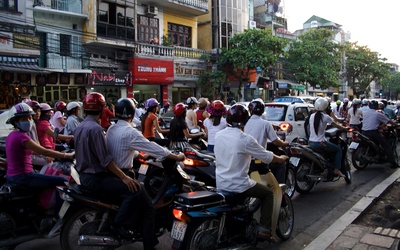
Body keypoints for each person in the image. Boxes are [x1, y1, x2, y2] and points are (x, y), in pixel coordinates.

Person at [74, 92, 156, 249]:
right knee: (135, 190)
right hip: (96, 178)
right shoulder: (96, 130)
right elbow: (106, 161)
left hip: (83, 176)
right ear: (103, 109)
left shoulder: (81, 127)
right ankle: (119, 225)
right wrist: (125, 177)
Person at [214, 104, 288, 242]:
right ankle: (265, 231)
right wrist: (281, 158)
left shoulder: (219, 135)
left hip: (220, 183)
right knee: (268, 194)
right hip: (239, 184)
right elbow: (267, 156)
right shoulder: (245, 139)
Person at [5, 103, 74, 206]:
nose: (28, 121)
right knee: (63, 181)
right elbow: (43, 151)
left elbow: (33, 150)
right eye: (24, 119)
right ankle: (58, 217)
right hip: (24, 176)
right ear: (16, 122)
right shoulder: (22, 137)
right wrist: (66, 156)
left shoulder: (12, 135)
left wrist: (49, 154)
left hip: (12, 176)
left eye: (29, 118)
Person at [244, 99, 289, 183]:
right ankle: (280, 188)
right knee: (281, 163)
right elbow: (276, 142)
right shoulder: (265, 124)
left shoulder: (244, 123)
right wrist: (285, 143)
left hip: (245, 160)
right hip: (260, 160)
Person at [309, 97, 348, 177]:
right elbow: (336, 125)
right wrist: (345, 128)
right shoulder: (325, 117)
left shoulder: (312, 116)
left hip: (311, 142)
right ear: (326, 106)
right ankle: (336, 169)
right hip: (321, 143)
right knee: (338, 150)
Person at [362, 100, 398, 169]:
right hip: (373, 133)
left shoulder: (365, 113)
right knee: (386, 146)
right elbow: (388, 121)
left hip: (364, 132)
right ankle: (392, 162)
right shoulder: (378, 114)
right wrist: (395, 124)